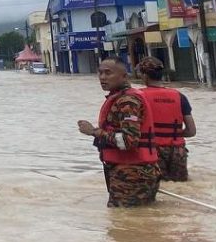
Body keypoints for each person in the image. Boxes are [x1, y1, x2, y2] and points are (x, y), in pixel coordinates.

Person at [77, 58, 160, 207]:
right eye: (100, 73)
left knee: (126, 223)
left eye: (108, 73)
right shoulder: (120, 98)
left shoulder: (128, 101)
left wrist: (94, 132)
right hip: (127, 171)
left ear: (124, 76)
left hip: (132, 174)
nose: (102, 77)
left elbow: (129, 140)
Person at [137, 56, 196, 181]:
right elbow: (191, 131)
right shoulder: (179, 96)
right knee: (181, 188)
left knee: (156, 189)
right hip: (177, 151)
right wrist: (174, 135)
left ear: (144, 76)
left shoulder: (138, 97)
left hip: (151, 150)